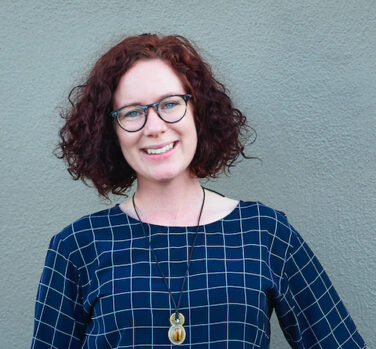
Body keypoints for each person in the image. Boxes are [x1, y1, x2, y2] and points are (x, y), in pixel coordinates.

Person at [31, 34, 366, 348]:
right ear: (111, 131)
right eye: (133, 112)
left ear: (198, 112)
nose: (155, 127)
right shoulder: (78, 245)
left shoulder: (266, 233)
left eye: (170, 104)